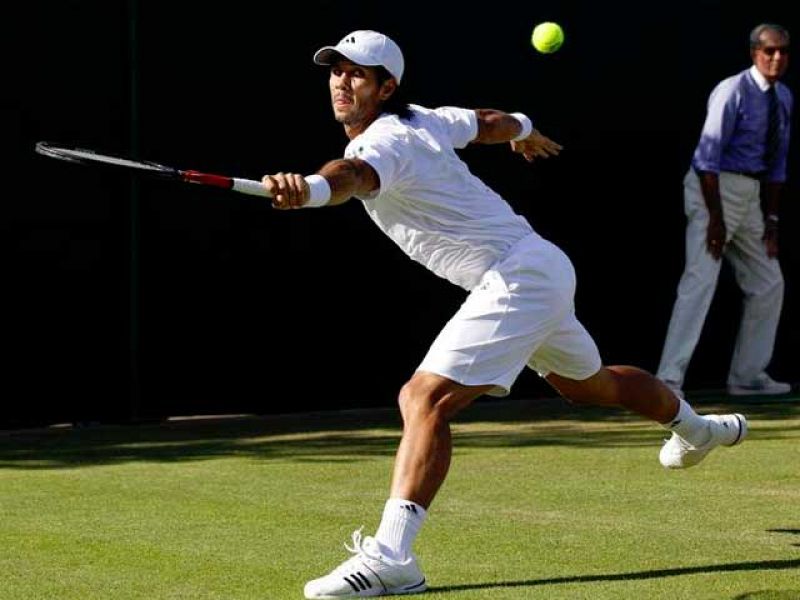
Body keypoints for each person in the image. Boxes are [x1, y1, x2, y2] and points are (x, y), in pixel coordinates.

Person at [262, 30, 749, 599]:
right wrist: (523, 128)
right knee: (590, 386)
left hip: (518, 274)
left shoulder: (389, 139)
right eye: (336, 71)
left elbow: (350, 176)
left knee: (423, 398)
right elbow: (486, 121)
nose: (342, 83)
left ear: (385, 86)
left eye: (357, 75)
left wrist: (314, 190)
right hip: (535, 269)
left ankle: (392, 557)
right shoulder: (427, 119)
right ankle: (699, 429)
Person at [657, 23, 793, 398]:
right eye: (769, 51)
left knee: (769, 283)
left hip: (750, 196)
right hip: (712, 189)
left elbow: (777, 165)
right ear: (755, 53)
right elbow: (706, 160)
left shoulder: (783, 98)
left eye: (783, 51)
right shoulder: (732, 90)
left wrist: (773, 218)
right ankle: (668, 381)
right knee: (699, 282)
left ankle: (748, 376)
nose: (776, 57)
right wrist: (715, 218)